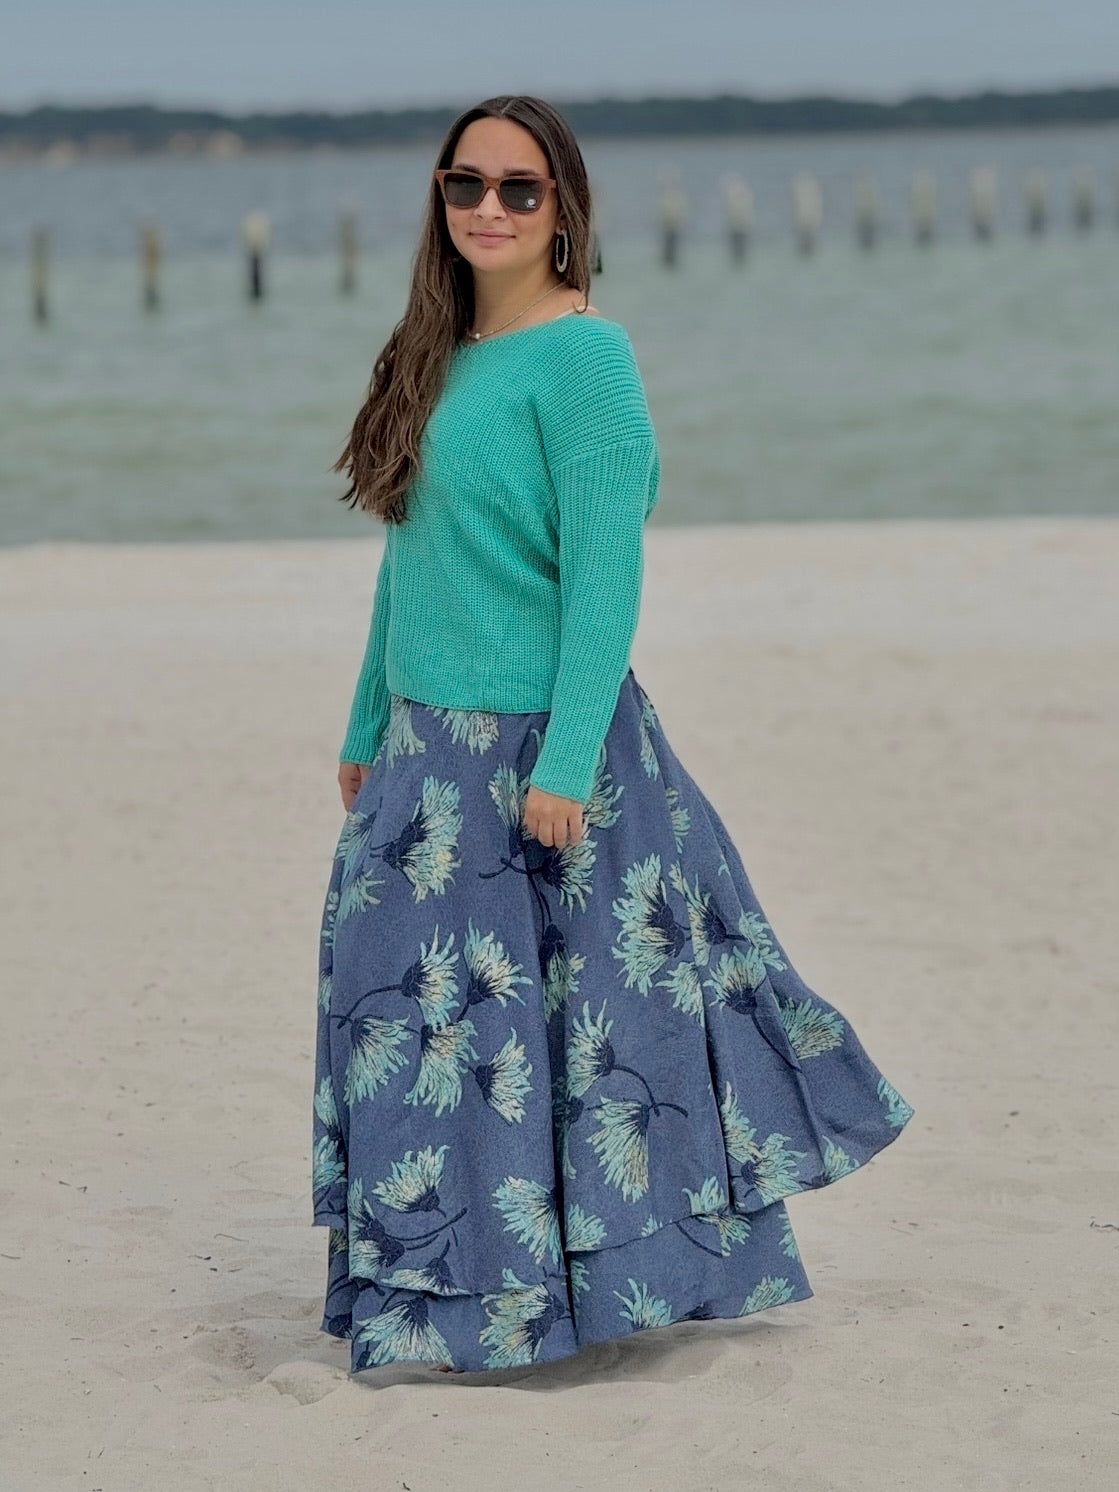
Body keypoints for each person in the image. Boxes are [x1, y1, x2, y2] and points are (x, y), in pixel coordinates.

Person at [312, 94, 914, 1377]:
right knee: (419, 1033)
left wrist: (570, 762)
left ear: (566, 210)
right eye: (464, 183)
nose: (487, 208)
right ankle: (440, 1290)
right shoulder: (442, 349)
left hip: (539, 755)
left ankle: (537, 1306)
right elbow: (408, 560)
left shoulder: (587, 362)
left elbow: (607, 579)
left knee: (553, 1043)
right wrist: (368, 716)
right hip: (425, 754)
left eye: (518, 189)